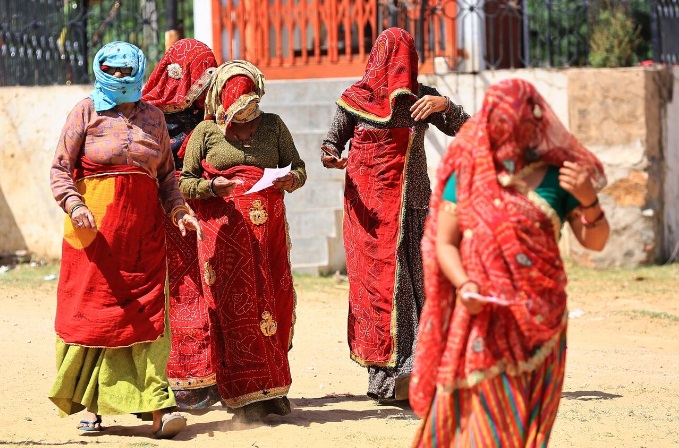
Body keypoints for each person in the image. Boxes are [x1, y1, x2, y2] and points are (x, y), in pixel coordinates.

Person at [410, 79, 610, 447]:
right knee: (481, 422)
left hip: (543, 324)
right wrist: (465, 284)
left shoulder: (558, 176)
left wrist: (588, 200)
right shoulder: (468, 174)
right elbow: (445, 243)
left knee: (528, 426)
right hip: (485, 316)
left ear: (533, 124)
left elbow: (594, 241)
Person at [48, 41, 202, 439]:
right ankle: (91, 405)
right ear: (100, 69)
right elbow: (60, 169)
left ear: (138, 71)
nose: (118, 76)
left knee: (147, 319)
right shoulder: (84, 110)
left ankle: (159, 408)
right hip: (94, 237)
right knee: (95, 320)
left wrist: (180, 211)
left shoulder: (153, 117)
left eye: (125, 70)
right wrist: (74, 205)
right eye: (111, 69)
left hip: (143, 239)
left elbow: (167, 178)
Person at [319, 27, 469, 404]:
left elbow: (473, 131)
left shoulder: (423, 98)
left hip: (414, 208)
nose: (402, 64)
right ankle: (388, 378)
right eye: (395, 56)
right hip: (368, 217)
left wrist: (446, 106)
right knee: (380, 289)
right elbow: (331, 142)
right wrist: (331, 157)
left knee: (419, 285)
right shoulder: (354, 100)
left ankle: (419, 368)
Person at [179, 60, 306, 421]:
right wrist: (212, 187)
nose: (246, 117)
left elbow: (299, 168)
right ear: (221, 102)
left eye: (250, 108)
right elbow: (185, 182)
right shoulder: (205, 132)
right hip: (224, 232)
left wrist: (290, 180)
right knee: (234, 306)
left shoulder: (274, 125)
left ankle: (274, 387)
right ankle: (239, 391)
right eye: (237, 111)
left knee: (272, 302)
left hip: (268, 231)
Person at [141, 38, 222, 410]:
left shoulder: (210, 118)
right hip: (161, 221)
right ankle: (178, 379)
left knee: (208, 292)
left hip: (203, 220)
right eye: (200, 79)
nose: (205, 88)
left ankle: (211, 375)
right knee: (176, 295)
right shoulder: (144, 117)